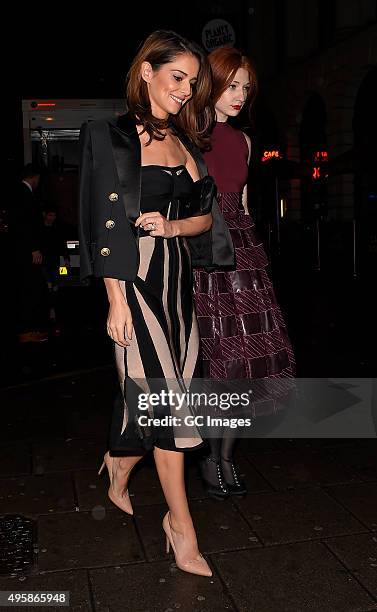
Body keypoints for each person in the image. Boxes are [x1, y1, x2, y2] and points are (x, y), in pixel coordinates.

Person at [78, 30, 234, 577]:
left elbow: (206, 220)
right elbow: (102, 221)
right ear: (147, 71)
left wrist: (170, 224)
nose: (187, 90)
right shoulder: (109, 136)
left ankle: (119, 465)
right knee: (169, 407)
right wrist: (114, 299)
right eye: (178, 77)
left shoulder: (188, 146)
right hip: (134, 282)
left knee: (167, 395)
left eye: (193, 83)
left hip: (177, 286)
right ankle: (181, 526)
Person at [193, 46, 296, 499]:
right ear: (211, 84)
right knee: (217, 360)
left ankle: (224, 457)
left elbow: (245, 203)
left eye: (246, 87)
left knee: (247, 363)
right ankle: (210, 458)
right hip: (201, 253)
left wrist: (254, 258)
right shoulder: (187, 136)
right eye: (232, 85)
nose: (239, 96)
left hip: (243, 253)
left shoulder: (245, 141)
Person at [9, 164, 49, 343]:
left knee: (28, 288)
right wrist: (34, 248)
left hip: (21, 251)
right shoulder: (24, 195)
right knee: (29, 288)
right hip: (26, 252)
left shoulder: (18, 193)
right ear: (35, 177)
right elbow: (24, 225)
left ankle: (29, 328)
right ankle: (27, 330)